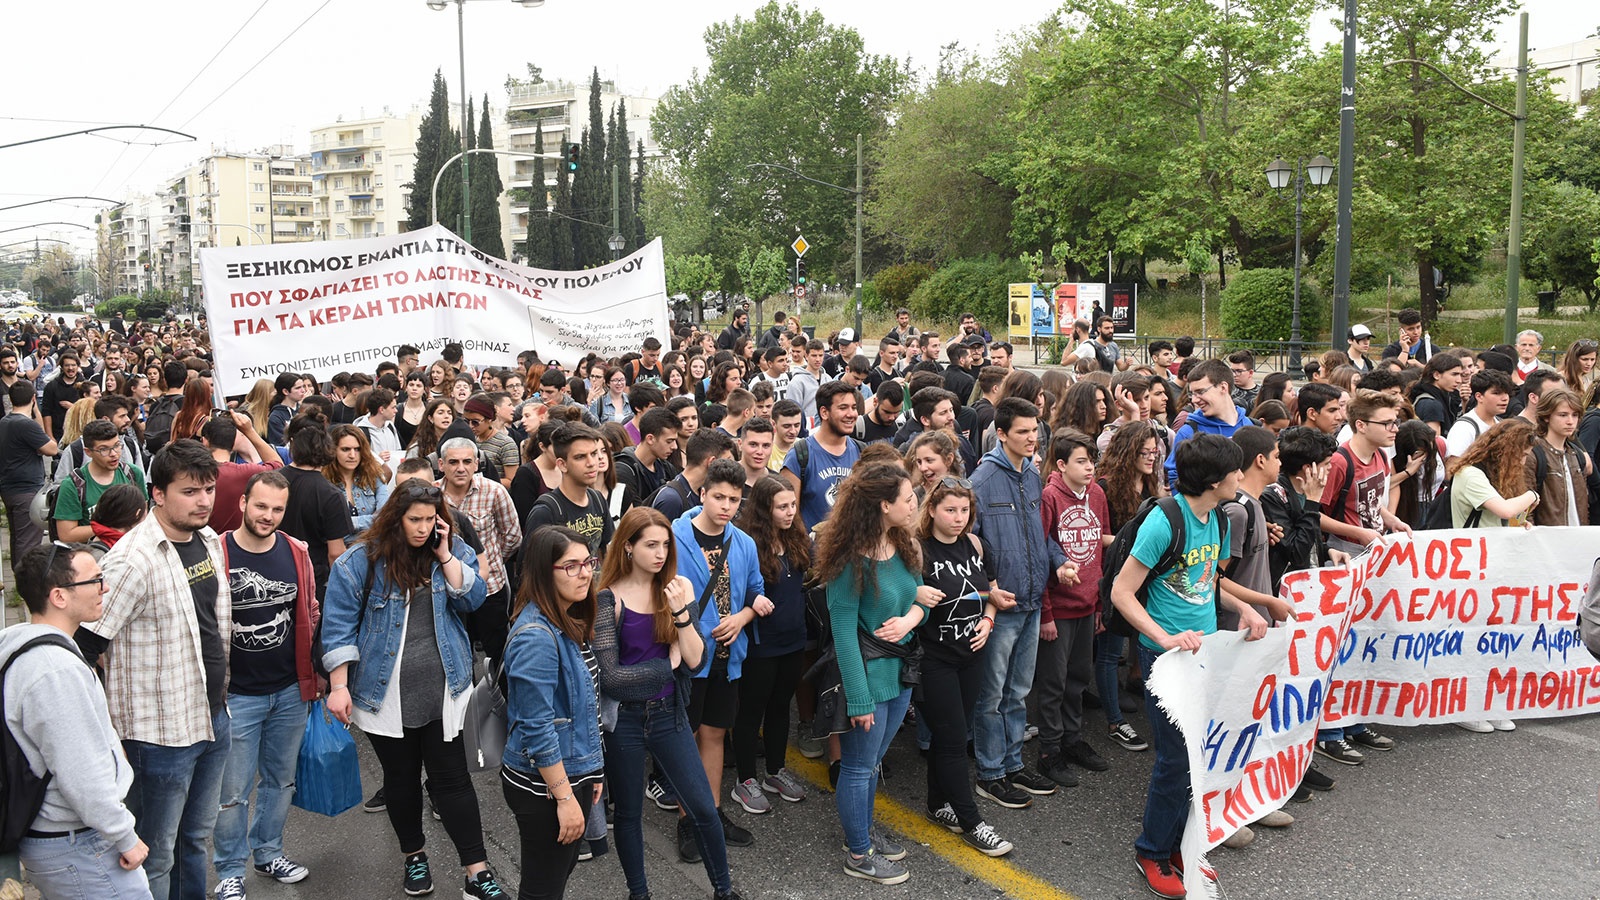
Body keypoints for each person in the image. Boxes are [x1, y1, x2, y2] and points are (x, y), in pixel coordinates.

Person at [320, 478, 505, 899]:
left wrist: (445, 555)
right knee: (401, 780)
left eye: (430, 520)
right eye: (414, 520)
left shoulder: (450, 549)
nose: (423, 528)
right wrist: (339, 685)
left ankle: (477, 873)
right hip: (383, 693)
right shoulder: (360, 561)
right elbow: (338, 628)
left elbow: (474, 599)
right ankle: (414, 856)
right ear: (395, 518)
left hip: (445, 688)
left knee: (453, 781)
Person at [1108, 434, 1271, 898]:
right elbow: (1122, 591)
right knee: (1176, 761)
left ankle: (1182, 844)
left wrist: (1245, 608)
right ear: (1215, 480)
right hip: (1165, 659)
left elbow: (1206, 580)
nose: (1240, 476)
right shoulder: (1165, 521)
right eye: (1235, 470)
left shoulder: (1219, 516)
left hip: (1205, 654)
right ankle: (1152, 852)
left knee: (1198, 758)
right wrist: (1163, 638)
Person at [75, 439, 231, 900]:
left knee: (194, 840)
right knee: (155, 854)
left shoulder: (207, 539)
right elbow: (84, 644)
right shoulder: (131, 559)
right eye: (190, 491)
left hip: (212, 716)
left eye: (208, 489)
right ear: (158, 494)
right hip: (157, 735)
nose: (203, 501)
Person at [592, 508, 741, 900]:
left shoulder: (679, 588)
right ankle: (638, 894)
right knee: (628, 813)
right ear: (628, 547)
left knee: (704, 808)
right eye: (650, 545)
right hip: (624, 721)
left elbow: (695, 660)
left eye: (665, 545)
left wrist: (680, 616)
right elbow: (612, 679)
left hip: (668, 714)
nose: (660, 553)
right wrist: (666, 666)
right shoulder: (607, 599)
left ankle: (724, 891)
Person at [7, 542, 151, 900]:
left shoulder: (22, 646)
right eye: (95, 580)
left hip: (64, 841)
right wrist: (125, 837)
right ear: (59, 596)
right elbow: (81, 772)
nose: (105, 587)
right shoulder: (56, 672)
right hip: (78, 846)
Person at [813, 463, 924, 884]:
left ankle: (861, 831)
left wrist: (910, 618)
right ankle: (859, 853)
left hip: (900, 674)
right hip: (869, 681)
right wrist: (858, 700)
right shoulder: (848, 562)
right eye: (908, 498)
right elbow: (843, 635)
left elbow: (921, 598)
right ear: (883, 506)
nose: (915, 503)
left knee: (872, 763)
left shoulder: (902, 543)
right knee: (859, 767)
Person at [211, 471, 319, 900]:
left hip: (290, 690)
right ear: (242, 504)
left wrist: (315, 673)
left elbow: (309, 609)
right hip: (236, 695)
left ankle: (269, 853)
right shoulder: (216, 551)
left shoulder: (296, 551)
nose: (268, 516)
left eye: (277, 509)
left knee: (280, 781)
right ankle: (229, 870)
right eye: (261, 506)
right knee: (232, 792)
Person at [970, 398, 1068, 809]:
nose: (1032, 439)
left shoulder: (1031, 474)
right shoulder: (981, 480)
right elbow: (969, 547)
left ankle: (1012, 764)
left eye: (1035, 431)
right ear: (1001, 433)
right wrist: (988, 592)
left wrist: (1059, 561)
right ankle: (990, 772)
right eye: (1023, 431)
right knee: (992, 695)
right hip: (1003, 607)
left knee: (1018, 692)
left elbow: (1040, 534)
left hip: (1031, 601)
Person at [500, 526, 606, 900]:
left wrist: (593, 770)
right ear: (545, 573)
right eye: (571, 566)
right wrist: (564, 798)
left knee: (555, 878)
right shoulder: (536, 636)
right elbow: (538, 728)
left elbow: (582, 709)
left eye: (588, 562)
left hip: (571, 771)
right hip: (542, 784)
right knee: (542, 888)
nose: (585, 573)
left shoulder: (565, 619)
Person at [911, 477, 1015, 856]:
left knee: (949, 736)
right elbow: (891, 593)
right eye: (950, 510)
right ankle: (973, 823)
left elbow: (990, 591)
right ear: (932, 510)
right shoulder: (916, 549)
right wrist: (913, 591)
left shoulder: (975, 544)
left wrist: (989, 619)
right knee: (954, 739)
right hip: (933, 659)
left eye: (964, 510)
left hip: (971, 656)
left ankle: (936, 803)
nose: (958, 518)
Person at [670, 459, 767, 860]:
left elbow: (756, 591)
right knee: (686, 739)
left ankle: (711, 813)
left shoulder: (743, 542)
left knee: (714, 734)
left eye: (734, 499)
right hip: (689, 658)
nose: (726, 506)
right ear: (702, 494)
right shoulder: (674, 537)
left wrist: (743, 618)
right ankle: (686, 820)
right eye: (719, 497)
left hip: (728, 657)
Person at [1314, 391, 1404, 765]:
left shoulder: (1380, 456)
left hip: (1371, 559)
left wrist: (1391, 520)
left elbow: (1374, 503)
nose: (1394, 428)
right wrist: (1359, 533)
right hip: (1343, 559)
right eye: (1388, 422)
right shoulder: (1340, 461)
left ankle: (1355, 722)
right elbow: (1315, 514)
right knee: (1340, 647)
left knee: (1365, 643)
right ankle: (1329, 732)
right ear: (1362, 425)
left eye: (1396, 421)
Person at [1445, 418, 1541, 732]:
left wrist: (1521, 523)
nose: (1523, 461)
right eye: (1521, 454)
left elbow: (1507, 517)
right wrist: (1531, 497)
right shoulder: (1470, 474)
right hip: (1472, 567)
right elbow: (1503, 509)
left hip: (1498, 566)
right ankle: (1463, 706)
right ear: (1505, 450)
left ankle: (1489, 702)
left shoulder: (1497, 476)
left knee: (1496, 640)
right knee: (1472, 639)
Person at [729, 476, 811, 816]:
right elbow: (737, 587)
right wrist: (753, 598)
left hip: (794, 640)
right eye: (782, 507)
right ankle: (745, 779)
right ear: (765, 509)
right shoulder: (748, 544)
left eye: (792, 505)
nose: (790, 513)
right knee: (751, 711)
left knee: (780, 708)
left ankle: (775, 771)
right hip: (761, 645)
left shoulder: (796, 539)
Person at [1036, 430, 1112, 789]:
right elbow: (1041, 554)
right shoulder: (1049, 496)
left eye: (1092, 460)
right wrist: (1046, 613)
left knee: (1079, 677)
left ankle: (1072, 738)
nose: (1090, 467)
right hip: (1059, 608)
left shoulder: (1097, 495)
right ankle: (1049, 750)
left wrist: (1098, 604)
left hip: (1086, 604)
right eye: (1081, 461)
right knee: (1053, 682)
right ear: (1062, 464)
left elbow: (1100, 551)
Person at [438, 437, 523, 664]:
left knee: (498, 652)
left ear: (476, 464)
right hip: (448, 591)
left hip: (490, 588)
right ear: (441, 465)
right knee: (457, 653)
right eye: (453, 462)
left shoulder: (494, 491)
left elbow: (513, 535)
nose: (461, 468)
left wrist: (489, 561)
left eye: (467, 461)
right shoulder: (433, 495)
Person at [278, 416, 353, 604]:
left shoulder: (271, 481)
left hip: (275, 573)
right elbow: (335, 553)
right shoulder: (331, 495)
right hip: (312, 581)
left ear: (293, 443)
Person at [781, 381, 863, 530]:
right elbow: (789, 517)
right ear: (824, 412)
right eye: (843, 408)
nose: (851, 414)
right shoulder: (800, 455)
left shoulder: (861, 452)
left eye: (853, 407)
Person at [524, 423, 615, 557]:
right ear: (562, 464)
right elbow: (531, 565)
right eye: (580, 457)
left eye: (594, 453)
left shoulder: (598, 499)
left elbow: (606, 551)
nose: (591, 463)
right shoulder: (546, 512)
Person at [53, 419, 145, 544]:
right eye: (104, 449)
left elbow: (143, 515)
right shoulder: (73, 485)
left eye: (117, 445)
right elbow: (67, 534)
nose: (113, 454)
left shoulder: (132, 474)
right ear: (88, 452)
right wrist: (110, 529)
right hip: (93, 551)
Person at [1164, 360, 1253, 488]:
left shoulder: (1249, 426)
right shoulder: (1189, 432)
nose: (1194, 400)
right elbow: (1175, 477)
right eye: (1192, 394)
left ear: (1223, 387)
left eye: (1200, 392)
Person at [0, 381, 58, 565]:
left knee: (18, 537)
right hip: (26, 490)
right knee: (28, 541)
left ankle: (18, 573)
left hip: (9, 488)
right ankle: (27, 577)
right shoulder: (26, 425)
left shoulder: (5, 422)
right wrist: (38, 413)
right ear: (34, 398)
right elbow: (51, 448)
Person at [1526, 387, 1589, 527]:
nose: (1570, 421)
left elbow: (1583, 504)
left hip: (1578, 535)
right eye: (1563, 415)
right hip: (1547, 536)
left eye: (1575, 415)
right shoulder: (1533, 454)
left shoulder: (1577, 455)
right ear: (1546, 416)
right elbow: (1525, 509)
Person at [325, 423, 393, 540]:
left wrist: (347, 523)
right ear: (333, 450)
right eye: (345, 449)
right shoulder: (324, 482)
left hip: (372, 545)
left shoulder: (374, 476)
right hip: (338, 548)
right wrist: (370, 521)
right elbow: (325, 526)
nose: (352, 455)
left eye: (357, 449)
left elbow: (385, 517)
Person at [1445, 369, 1514, 458]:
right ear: (1479, 396)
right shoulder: (1464, 427)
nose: (1505, 398)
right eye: (1496, 393)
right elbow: (1452, 463)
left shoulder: (1502, 425)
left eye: (1506, 393)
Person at [1409, 354, 1464, 436]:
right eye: (1454, 374)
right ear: (1436, 375)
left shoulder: (1445, 397)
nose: (1459, 380)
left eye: (1460, 375)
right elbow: (1434, 440)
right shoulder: (1431, 404)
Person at [264, 372, 307, 445]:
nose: (303, 390)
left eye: (303, 386)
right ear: (285, 391)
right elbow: (281, 445)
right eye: (298, 388)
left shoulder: (303, 409)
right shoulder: (276, 417)